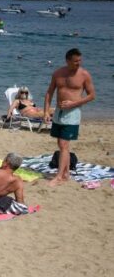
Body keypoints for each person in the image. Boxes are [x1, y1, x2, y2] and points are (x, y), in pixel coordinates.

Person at [44, 48, 96, 186]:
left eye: (80, 60)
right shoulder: (58, 73)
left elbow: (92, 95)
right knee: (61, 145)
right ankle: (66, 173)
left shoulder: (84, 75)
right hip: (58, 112)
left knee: (64, 144)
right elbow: (49, 92)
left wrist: (74, 103)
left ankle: (59, 176)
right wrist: (45, 112)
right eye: (75, 61)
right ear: (67, 61)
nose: (78, 63)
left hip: (73, 113)